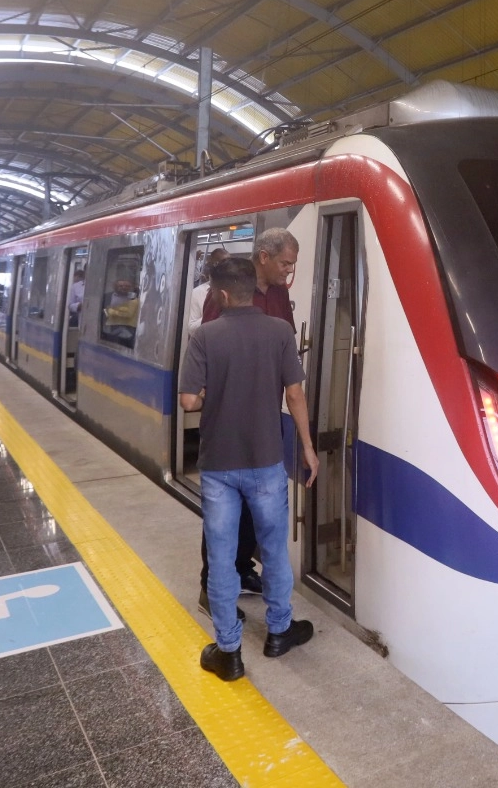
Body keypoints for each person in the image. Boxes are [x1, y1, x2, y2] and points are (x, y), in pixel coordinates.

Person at [180, 256, 320, 681]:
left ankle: (228, 652)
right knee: (274, 550)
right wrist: (309, 450)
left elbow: (189, 401)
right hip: (265, 463)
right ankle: (279, 632)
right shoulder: (279, 331)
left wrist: (213, 395)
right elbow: (295, 396)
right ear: (250, 290)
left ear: (220, 294)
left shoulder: (204, 336)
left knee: (222, 558)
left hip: (219, 465)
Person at [197, 228, 301, 611]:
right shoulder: (222, 295)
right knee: (223, 512)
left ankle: (241, 569)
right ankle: (211, 589)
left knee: (253, 508)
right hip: (228, 418)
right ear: (263, 256)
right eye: (284, 263)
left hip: (264, 414)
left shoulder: (280, 295)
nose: (288, 272)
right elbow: (208, 348)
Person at [187, 248, 229, 335]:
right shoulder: (197, 293)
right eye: (222, 264)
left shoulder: (235, 291)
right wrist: (211, 316)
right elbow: (191, 328)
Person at [101, 277, 139, 346]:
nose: (124, 288)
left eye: (127, 286)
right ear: (115, 287)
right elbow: (103, 311)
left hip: (129, 330)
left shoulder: (134, 299)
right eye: (121, 286)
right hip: (110, 329)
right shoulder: (107, 296)